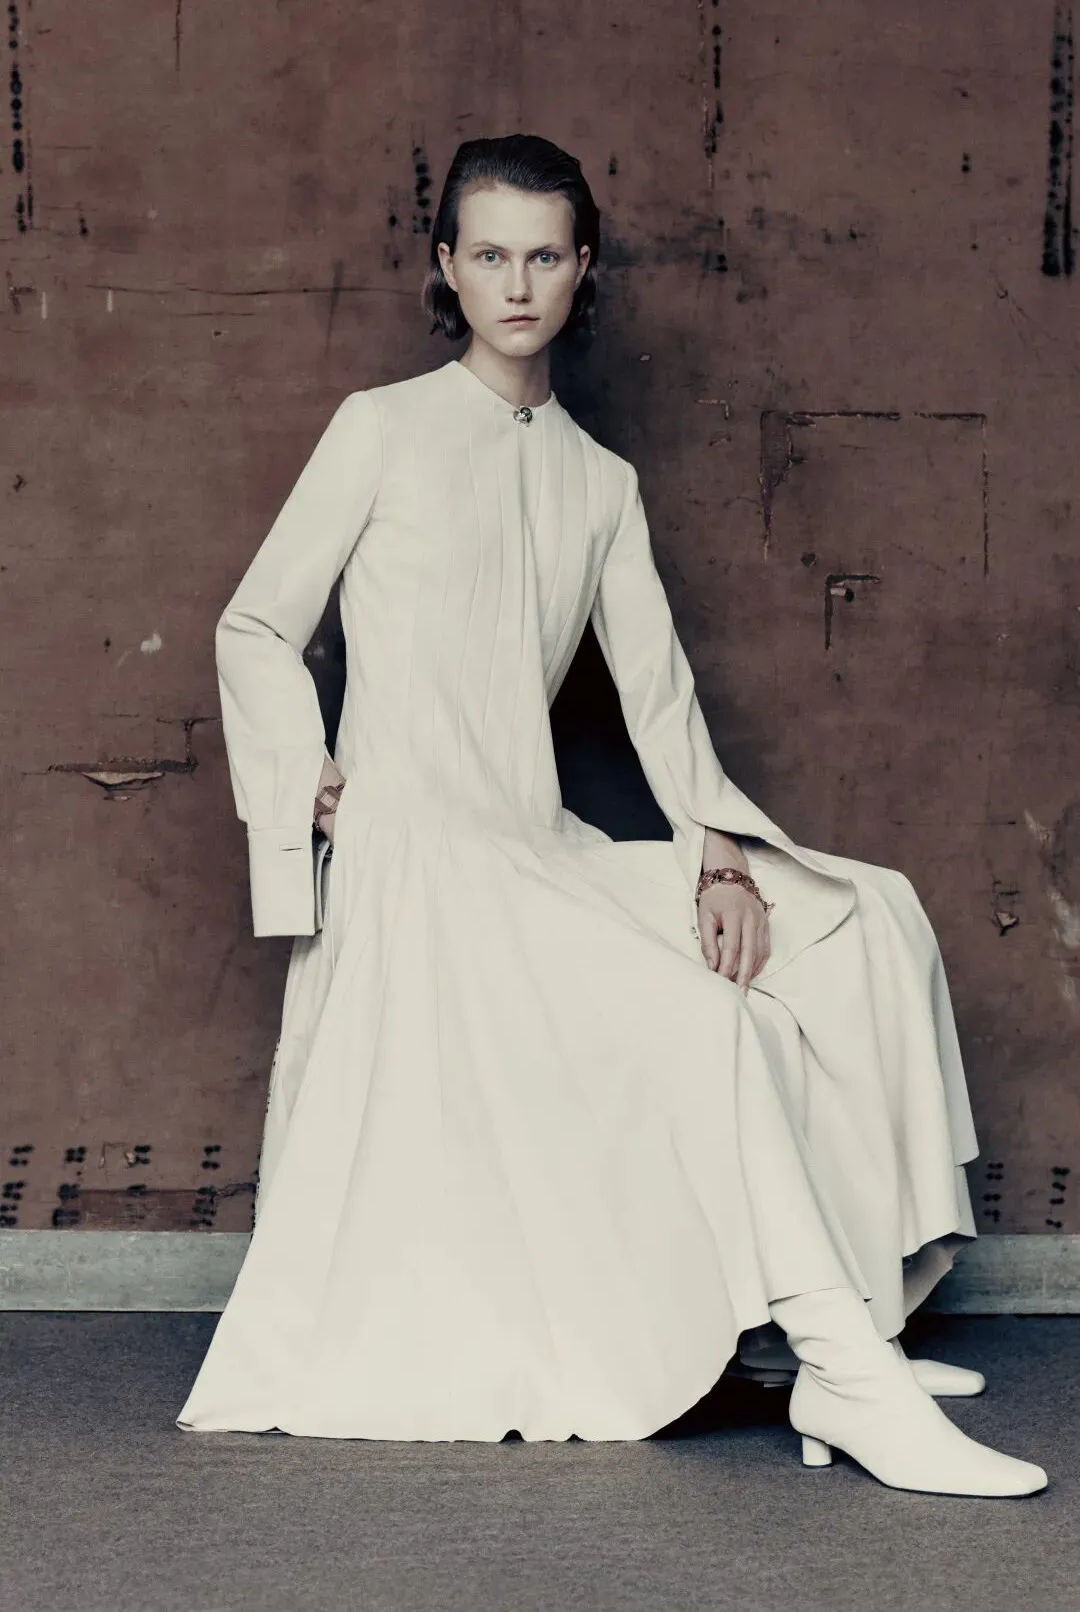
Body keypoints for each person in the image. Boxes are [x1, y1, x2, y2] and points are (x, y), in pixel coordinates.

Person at [177, 134, 1046, 1496]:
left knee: (860, 918)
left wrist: (721, 854)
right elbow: (254, 625)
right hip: (423, 863)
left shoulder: (600, 481)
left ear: (582, 269)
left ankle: (844, 1332)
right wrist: (307, 775)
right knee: (715, 1025)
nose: (517, 285)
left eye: (544, 256)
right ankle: (848, 1373)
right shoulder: (380, 428)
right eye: (489, 255)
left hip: (538, 848)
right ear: (447, 268)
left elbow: (659, 694)